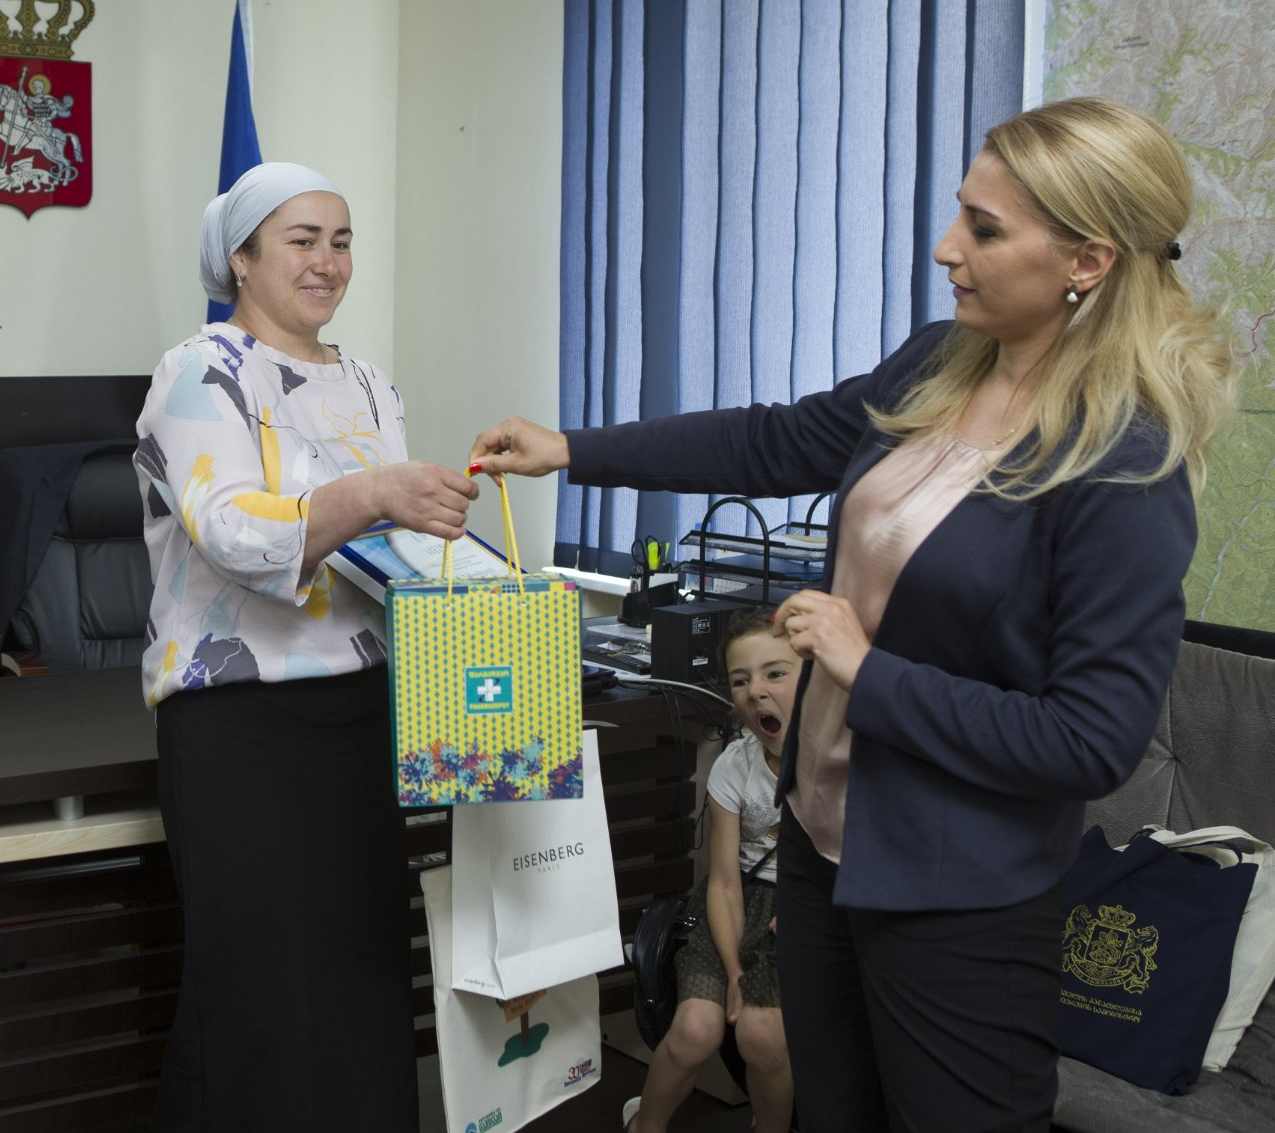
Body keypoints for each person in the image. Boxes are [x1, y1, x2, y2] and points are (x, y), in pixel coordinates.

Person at [471, 97, 1235, 1133]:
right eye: (960, 214)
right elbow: (775, 441)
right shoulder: (941, 360)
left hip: (955, 893)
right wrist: (572, 449)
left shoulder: (1122, 464)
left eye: (984, 229)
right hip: (823, 847)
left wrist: (863, 668)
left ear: (1087, 262)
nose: (946, 247)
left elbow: (1088, 739)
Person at [135, 162, 479, 1132]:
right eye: (301, 240)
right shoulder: (198, 370)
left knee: (362, 989)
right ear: (240, 260)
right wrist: (373, 494)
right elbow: (234, 533)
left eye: (341, 240)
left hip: (363, 719)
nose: (327, 261)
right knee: (259, 1001)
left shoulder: (369, 384)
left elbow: (384, 552)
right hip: (242, 728)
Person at [622, 611, 796, 1133]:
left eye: (775, 673)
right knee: (695, 1030)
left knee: (762, 1036)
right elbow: (722, 881)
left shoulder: (840, 762)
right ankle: (645, 1124)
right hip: (734, 905)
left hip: (799, 911)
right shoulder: (735, 765)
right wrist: (736, 974)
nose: (756, 691)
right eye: (741, 680)